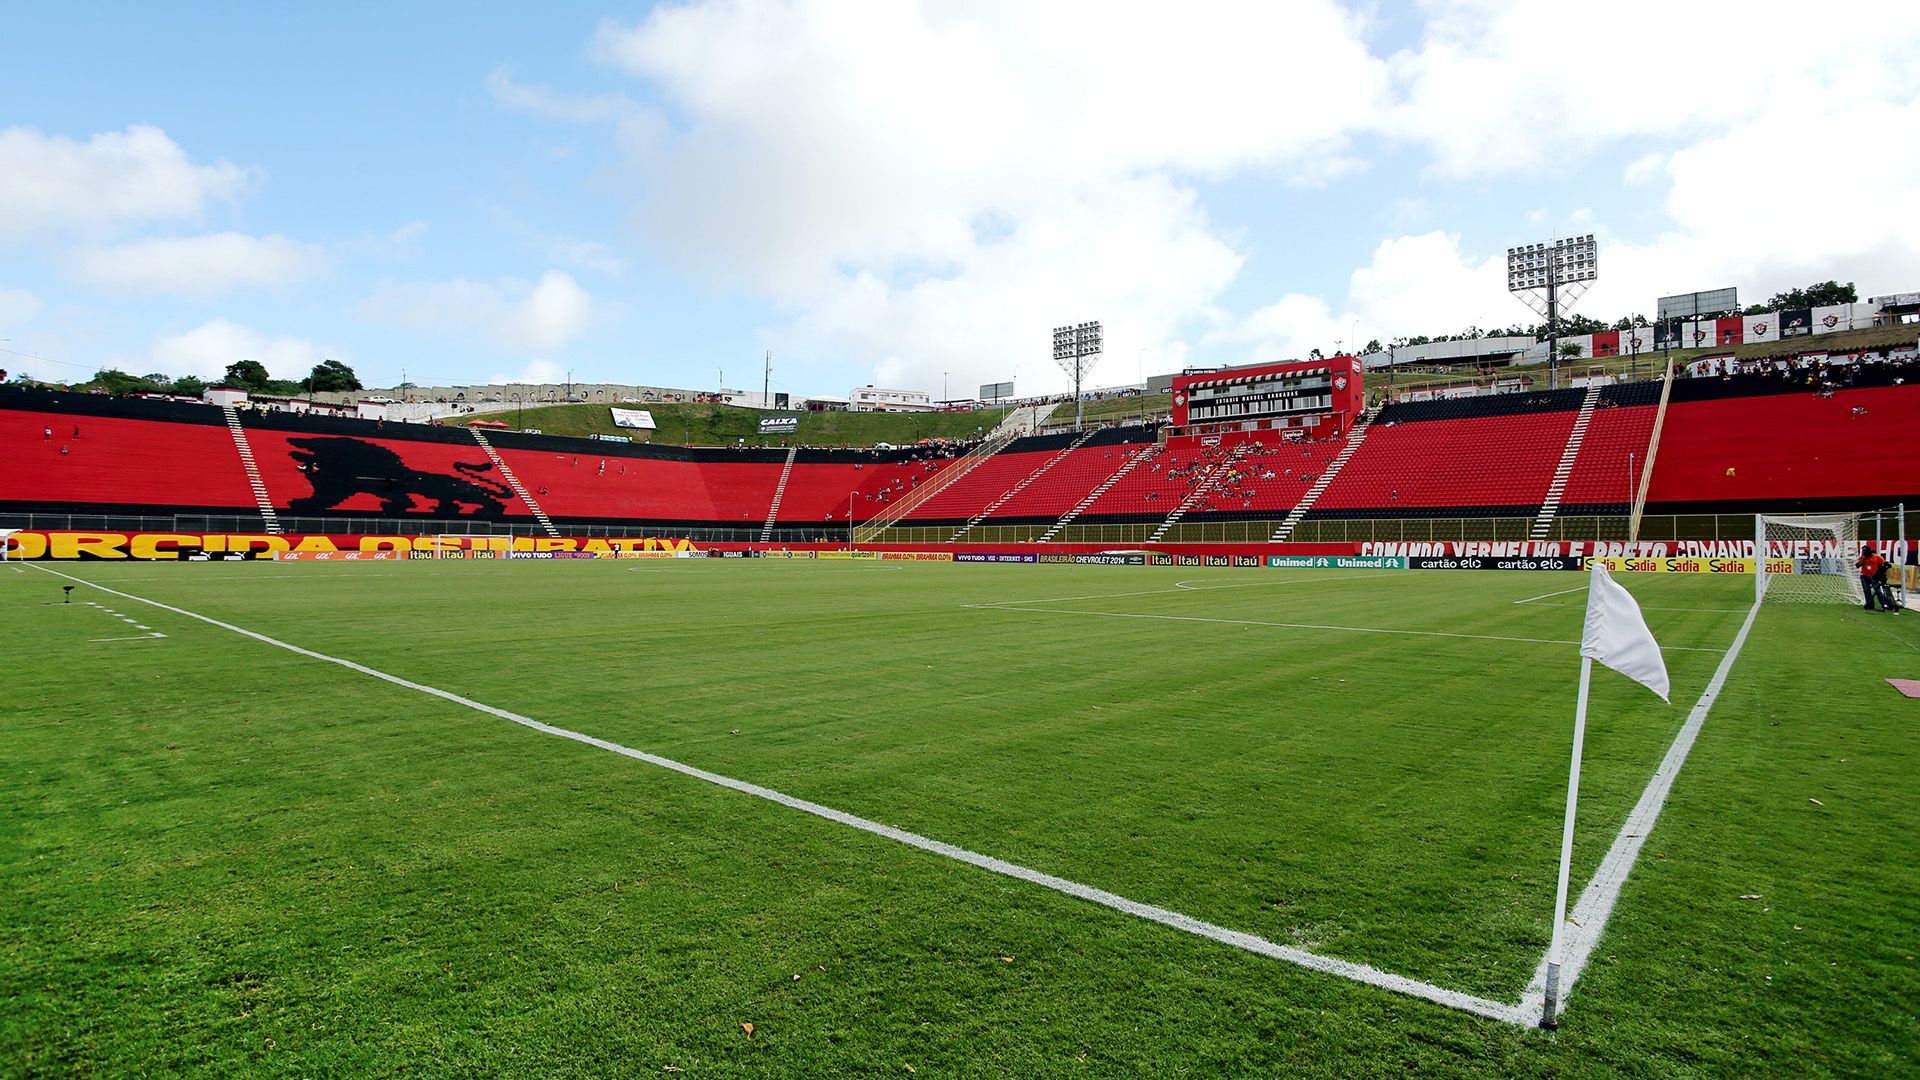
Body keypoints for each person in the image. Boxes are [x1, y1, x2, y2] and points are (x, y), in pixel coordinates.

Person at [1857, 545, 1892, 611]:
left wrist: (1882, 575)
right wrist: (1863, 559)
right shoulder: (1862, 558)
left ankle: (1884, 604)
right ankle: (1870, 605)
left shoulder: (1877, 557)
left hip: (1874, 576)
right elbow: (1857, 565)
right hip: (1864, 576)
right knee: (1866, 590)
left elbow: (1884, 566)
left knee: (1878, 591)